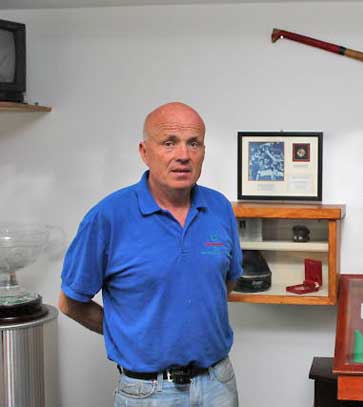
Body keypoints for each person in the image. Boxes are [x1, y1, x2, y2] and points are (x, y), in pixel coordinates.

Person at [58, 102, 243, 407]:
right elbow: (69, 302)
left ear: (203, 151)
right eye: (169, 143)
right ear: (144, 152)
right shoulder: (108, 217)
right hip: (148, 392)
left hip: (218, 383)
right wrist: (130, 333)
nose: (183, 155)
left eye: (193, 143)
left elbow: (227, 282)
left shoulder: (219, 207)